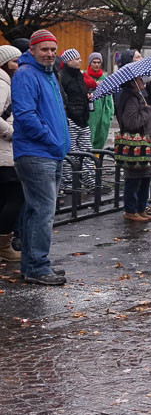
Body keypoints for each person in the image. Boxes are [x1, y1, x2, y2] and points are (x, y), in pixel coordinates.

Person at [11, 30, 71, 285]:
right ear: (32, 50)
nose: (49, 54)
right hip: (37, 153)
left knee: (37, 211)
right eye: (44, 49)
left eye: (52, 50)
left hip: (49, 152)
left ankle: (33, 264)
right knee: (42, 212)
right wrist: (51, 138)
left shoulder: (46, 75)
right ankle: (37, 266)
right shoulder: (26, 75)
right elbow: (25, 115)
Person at [114, 74, 151, 222]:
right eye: (140, 79)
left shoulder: (137, 95)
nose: (143, 82)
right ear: (132, 82)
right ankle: (131, 210)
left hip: (144, 144)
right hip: (135, 145)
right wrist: (148, 110)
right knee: (134, 179)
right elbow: (132, 122)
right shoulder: (130, 98)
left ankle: (140, 208)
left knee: (145, 177)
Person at [58, 48, 95, 191]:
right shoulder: (62, 77)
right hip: (71, 120)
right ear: (68, 61)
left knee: (86, 152)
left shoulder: (79, 76)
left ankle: (90, 182)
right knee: (71, 155)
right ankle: (69, 184)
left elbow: (80, 93)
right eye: (77, 58)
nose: (80, 60)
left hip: (83, 119)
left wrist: (87, 97)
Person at [0, 44, 23, 261]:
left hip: (4, 151)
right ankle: (4, 245)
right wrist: (12, 132)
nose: (18, 64)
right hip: (4, 152)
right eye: (15, 61)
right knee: (16, 195)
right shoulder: (2, 83)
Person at [85, 52, 113, 150]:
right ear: (90, 63)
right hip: (90, 113)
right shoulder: (85, 76)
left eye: (98, 62)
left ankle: (97, 159)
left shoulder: (104, 79)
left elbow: (109, 98)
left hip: (103, 113)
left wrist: (110, 113)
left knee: (101, 136)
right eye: (94, 62)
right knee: (89, 136)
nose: (96, 65)